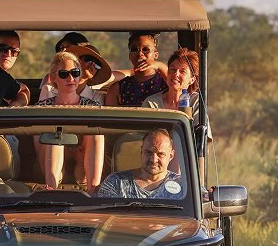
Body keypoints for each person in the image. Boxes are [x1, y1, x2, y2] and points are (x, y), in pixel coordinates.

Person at [36, 51, 105, 191]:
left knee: (96, 133)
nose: (71, 78)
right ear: (54, 77)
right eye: (64, 74)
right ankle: (51, 191)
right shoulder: (43, 108)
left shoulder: (92, 106)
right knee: (55, 135)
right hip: (50, 162)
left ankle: (94, 190)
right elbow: (39, 145)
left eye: (75, 73)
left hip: (82, 163)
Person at [142, 47, 210, 156]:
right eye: (172, 69)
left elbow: (203, 143)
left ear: (192, 79)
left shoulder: (196, 101)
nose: (176, 74)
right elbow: (144, 140)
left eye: (182, 71)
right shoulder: (151, 103)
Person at [97, 128, 185, 199]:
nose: (153, 159)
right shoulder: (116, 183)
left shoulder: (183, 187)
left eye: (160, 154)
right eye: (148, 152)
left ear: (171, 156)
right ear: (141, 151)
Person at [106, 32, 169, 107]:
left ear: (156, 55)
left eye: (145, 49)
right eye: (134, 50)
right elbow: (110, 117)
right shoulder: (118, 88)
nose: (140, 54)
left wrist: (159, 65)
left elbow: (178, 89)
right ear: (130, 56)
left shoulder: (165, 82)